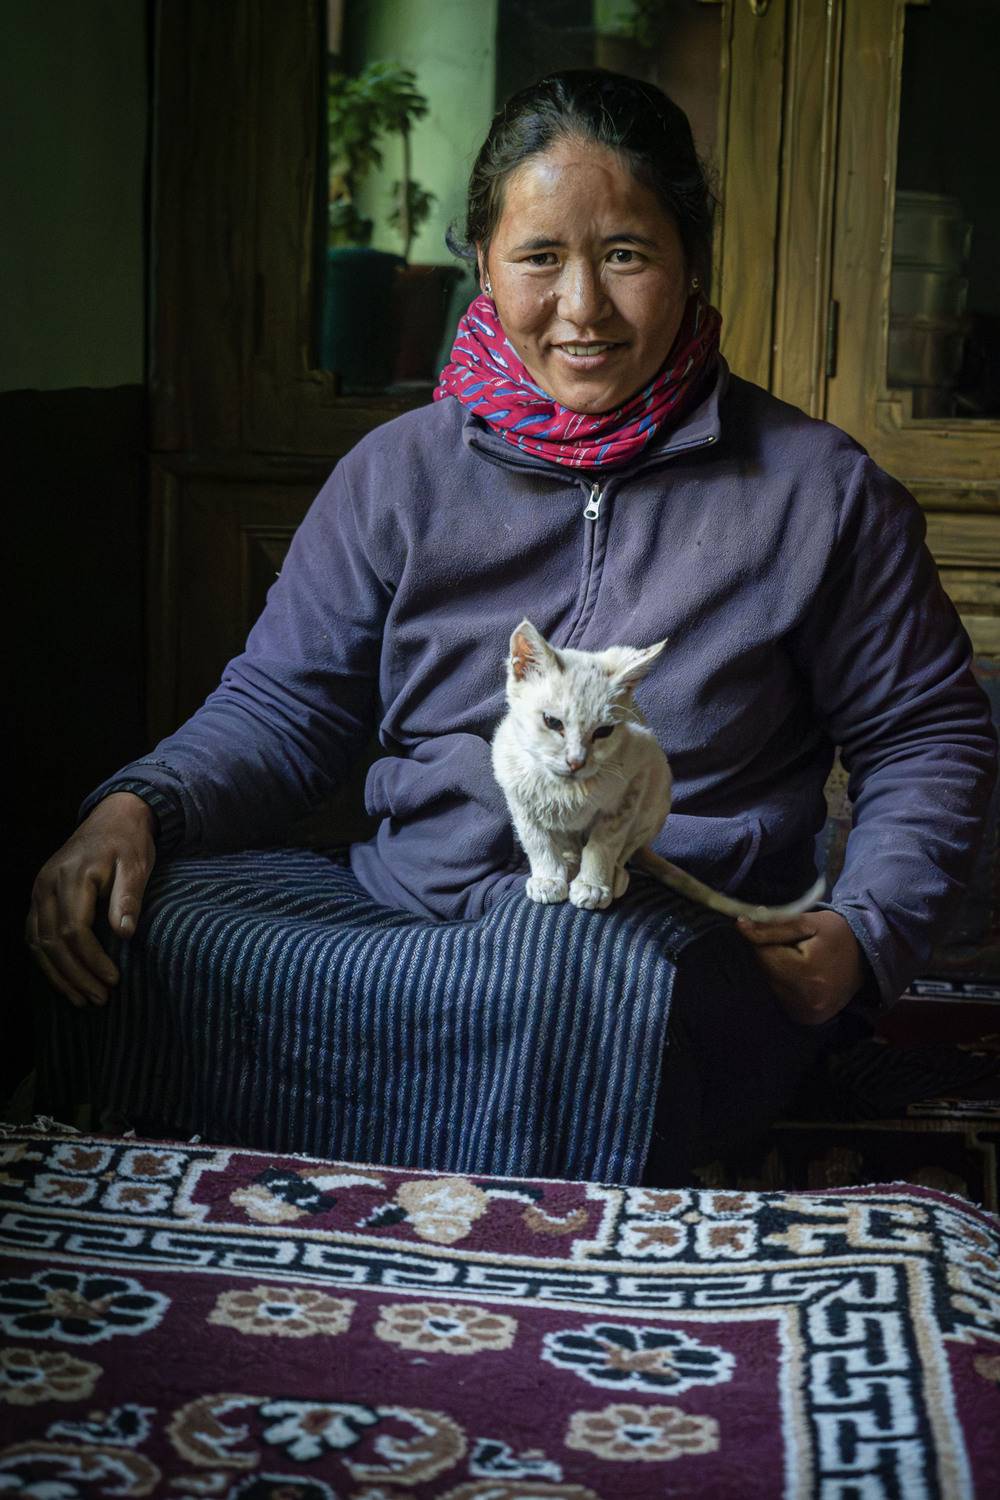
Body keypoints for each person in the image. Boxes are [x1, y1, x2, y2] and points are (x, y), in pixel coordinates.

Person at [27, 70, 996, 1183]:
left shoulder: (817, 491)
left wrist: (866, 932)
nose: (582, 307)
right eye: (539, 257)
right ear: (482, 264)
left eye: (625, 254)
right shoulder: (395, 474)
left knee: (579, 986)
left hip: (652, 929)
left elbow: (925, 735)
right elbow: (284, 704)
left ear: (691, 262)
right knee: (138, 921)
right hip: (408, 913)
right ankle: (495, 1109)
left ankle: (411, 1124)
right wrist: (137, 805)